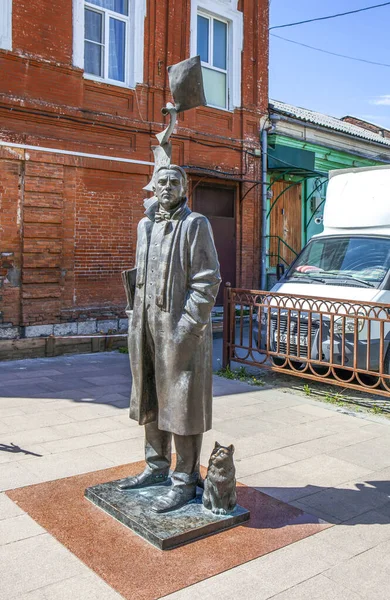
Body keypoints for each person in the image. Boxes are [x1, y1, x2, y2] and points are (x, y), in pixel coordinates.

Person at [118, 165, 221, 513]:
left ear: (184, 187)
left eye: (174, 181)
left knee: (182, 405)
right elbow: (139, 273)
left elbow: (207, 281)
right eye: (161, 181)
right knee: (149, 396)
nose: (167, 187)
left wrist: (187, 327)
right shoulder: (145, 225)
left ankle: (185, 479)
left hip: (180, 332)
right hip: (146, 327)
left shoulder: (195, 225)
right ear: (154, 187)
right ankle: (155, 466)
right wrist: (134, 314)